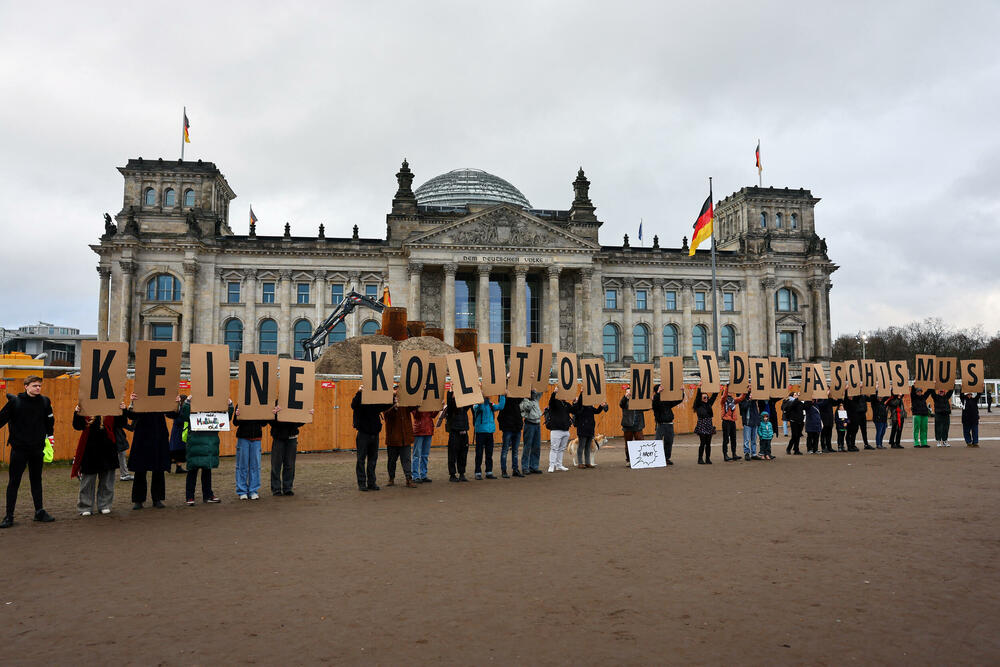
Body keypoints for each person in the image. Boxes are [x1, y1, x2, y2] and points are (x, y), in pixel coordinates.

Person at [0, 375, 56, 528]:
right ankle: (9, 516)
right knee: (14, 482)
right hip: (19, 450)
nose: (38, 388)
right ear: (26, 386)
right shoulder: (15, 402)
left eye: (39, 385)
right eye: (34, 385)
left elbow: (50, 422)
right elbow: (1, 419)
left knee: (36, 480)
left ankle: (39, 512)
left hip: (37, 449)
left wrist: (50, 439)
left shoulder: (45, 402)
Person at [126, 392, 181, 509]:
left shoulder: (163, 393)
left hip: (159, 434)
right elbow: (132, 416)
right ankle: (138, 500)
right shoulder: (140, 392)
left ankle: (157, 498)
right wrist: (132, 403)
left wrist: (176, 404)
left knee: (159, 468)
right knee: (140, 469)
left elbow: (173, 414)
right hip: (142, 435)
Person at [71, 403, 125, 515]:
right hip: (90, 447)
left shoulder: (112, 405)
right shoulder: (86, 404)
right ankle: (85, 507)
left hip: (108, 446)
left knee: (107, 479)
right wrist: (77, 412)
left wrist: (122, 411)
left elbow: (121, 423)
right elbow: (78, 426)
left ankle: (105, 504)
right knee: (88, 480)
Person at [180, 396, 233, 505]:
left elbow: (225, 418)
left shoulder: (214, 402)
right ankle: (193, 496)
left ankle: (202, 496)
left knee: (205, 469)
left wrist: (230, 406)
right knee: (194, 470)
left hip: (207, 441)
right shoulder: (195, 400)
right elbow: (184, 416)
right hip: (198, 441)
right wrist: (187, 402)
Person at [351, 388, 393, 491]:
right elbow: (354, 405)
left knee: (372, 460)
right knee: (361, 459)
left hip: (374, 433)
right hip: (363, 434)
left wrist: (392, 398)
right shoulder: (360, 401)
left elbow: (385, 406)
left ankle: (371, 482)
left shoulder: (375, 402)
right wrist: (359, 393)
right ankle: (362, 483)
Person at [270, 406, 309, 496]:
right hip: (278, 437)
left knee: (290, 464)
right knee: (276, 464)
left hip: (292, 437)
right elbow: (270, 422)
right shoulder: (275, 404)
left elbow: (299, 423)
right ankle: (276, 489)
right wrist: (274, 414)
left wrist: (306, 415)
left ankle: (287, 488)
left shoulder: (296, 403)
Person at [384, 389, 417, 488]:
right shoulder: (387, 404)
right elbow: (387, 416)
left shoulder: (405, 402)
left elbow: (415, 405)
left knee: (406, 460)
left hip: (404, 438)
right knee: (391, 461)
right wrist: (394, 407)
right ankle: (391, 478)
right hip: (393, 439)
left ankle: (408, 479)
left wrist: (420, 393)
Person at [232, 404, 266, 500]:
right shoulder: (241, 403)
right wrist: (237, 415)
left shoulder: (261, 403)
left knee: (255, 466)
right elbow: (235, 422)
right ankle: (242, 491)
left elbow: (264, 423)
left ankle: (253, 491)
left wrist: (267, 413)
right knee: (242, 466)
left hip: (256, 438)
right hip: (243, 438)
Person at [439, 391, 472, 482]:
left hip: (464, 433)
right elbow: (450, 402)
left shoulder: (464, 408)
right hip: (454, 433)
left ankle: (462, 473)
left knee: (463, 454)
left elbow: (471, 401)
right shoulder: (451, 409)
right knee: (452, 454)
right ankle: (452, 475)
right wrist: (450, 393)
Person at [571, 392, 608, 468]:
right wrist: (582, 393)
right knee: (581, 446)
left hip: (590, 429)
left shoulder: (590, 406)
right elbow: (579, 402)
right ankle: (580, 463)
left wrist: (601, 406)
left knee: (588, 447)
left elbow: (597, 411)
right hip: (582, 429)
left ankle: (587, 462)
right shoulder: (580, 406)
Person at [472, 395, 504, 479]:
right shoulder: (477, 405)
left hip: (490, 432)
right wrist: (483, 398)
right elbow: (481, 408)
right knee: (479, 454)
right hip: (480, 432)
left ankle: (489, 472)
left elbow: (501, 407)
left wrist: (502, 395)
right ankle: (478, 472)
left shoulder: (491, 405)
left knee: (489, 453)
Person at [651, 384, 682, 465]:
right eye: (660, 389)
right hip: (660, 424)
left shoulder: (667, 401)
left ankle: (666, 458)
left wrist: (682, 392)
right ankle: (657, 458)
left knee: (669, 441)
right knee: (658, 441)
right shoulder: (655, 400)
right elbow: (654, 404)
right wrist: (658, 393)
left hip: (669, 424)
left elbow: (678, 400)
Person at [410, 405, 439, 484]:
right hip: (419, 430)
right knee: (417, 454)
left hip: (428, 430)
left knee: (425, 455)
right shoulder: (415, 401)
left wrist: (438, 407)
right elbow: (415, 415)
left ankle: (423, 475)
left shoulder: (429, 401)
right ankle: (415, 476)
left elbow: (433, 415)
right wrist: (418, 407)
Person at [497, 392, 523, 477]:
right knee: (506, 450)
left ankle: (515, 470)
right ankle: (504, 471)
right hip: (508, 427)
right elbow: (501, 404)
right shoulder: (503, 395)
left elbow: (522, 396)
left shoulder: (516, 396)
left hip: (516, 426)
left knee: (514, 450)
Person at [546, 392, 572, 472]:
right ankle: (551, 466)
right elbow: (551, 401)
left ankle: (559, 465)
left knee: (561, 449)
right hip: (556, 430)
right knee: (554, 448)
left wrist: (576, 402)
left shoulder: (567, 404)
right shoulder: (555, 403)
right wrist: (554, 393)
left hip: (566, 430)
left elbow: (575, 410)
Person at [620, 387, 647, 466]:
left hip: (638, 425)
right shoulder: (625, 401)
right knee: (628, 444)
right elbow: (621, 404)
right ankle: (628, 460)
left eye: (630, 392)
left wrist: (650, 400)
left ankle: (641, 459)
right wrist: (626, 397)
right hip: (627, 425)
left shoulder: (639, 401)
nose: (629, 393)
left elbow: (647, 407)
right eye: (627, 392)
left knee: (640, 442)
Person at [520, 390, 543, 474]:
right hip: (529, 424)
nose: (534, 394)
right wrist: (529, 398)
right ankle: (525, 467)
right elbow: (527, 407)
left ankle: (534, 466)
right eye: (532, 393)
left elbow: (541, 391)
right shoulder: (524, 400)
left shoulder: (535, 399)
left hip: (537, 424)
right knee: (527, 446)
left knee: (536, 447)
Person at [693, 387, 718, 465]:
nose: (706, 398)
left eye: (707, 397)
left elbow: (714, 396)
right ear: (701, 398)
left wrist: (716, 387)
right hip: (702, 424)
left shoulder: (709, 404)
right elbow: (697, 397)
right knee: (702, 442)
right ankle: (700, 459)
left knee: (708, 443)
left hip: (709, 424)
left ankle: (707, 458)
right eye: (704, 397)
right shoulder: (698, 405)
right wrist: (699, 388)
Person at [719, 384, 742, 462]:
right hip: (726, 421)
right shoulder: (723, 400)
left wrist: (745, 392)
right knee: (726, 439)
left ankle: (734, 454)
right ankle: (725, 455)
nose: (730, 393)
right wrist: (727, 387)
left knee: (733, 439)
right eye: (729, 392)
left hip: (732, 421)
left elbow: (741, 398)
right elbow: (724, 396)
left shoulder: (733, 401)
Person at [736, 389, 760, 460]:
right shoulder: (742, 397)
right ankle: (746, 453)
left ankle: (754, 453)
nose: (750, 387)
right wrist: (750, 400)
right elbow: (743, 407)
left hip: (754, 420)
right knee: (747, 439)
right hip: (747, 421)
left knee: (754, 439)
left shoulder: (754, 396)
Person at [168, 395, 188, 474]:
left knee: (177, 450)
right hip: (179, 431)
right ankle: (175, 466)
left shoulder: (179, 408)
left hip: (179, 431)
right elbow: (180, 420)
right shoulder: (180, 409)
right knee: (178, 450)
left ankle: (177, 467)